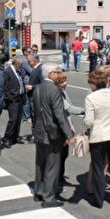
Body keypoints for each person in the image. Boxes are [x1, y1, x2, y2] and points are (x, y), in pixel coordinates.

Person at [32, 63, 75, 208]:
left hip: (39, 130)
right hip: (52, 133)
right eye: (57, 71)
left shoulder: (37, 87)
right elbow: (59, 115)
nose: (59, 73)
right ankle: (49, 197)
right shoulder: (54, 89)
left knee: (40, 164)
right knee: (52, 166)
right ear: (51, 74)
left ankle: (39, 191)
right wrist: (69, 135)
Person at [83, 66, 110, 208]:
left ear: (94, 84)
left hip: (99, 136)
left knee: (98, 169)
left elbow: (88, 121)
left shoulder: (91, 97)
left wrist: (83, 130)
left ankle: (98, 200)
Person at [55, 72, 84, 189]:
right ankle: (57, 179)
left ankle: (60, 177)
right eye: (62, 82)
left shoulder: (63, 92)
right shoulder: (57, 94)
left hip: (66, 126)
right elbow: (69, 108)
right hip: (61, 129)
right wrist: (85, 110)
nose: (65, 84)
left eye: (65, 81)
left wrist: (71, 124)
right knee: (60, 155)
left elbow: (67, 112)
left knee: (64, 155)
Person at [2, 56, 26, 148]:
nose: (22, 66)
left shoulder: (18, 71)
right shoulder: (8, 72)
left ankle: (15, 136)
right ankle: (7, 138)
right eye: (21, 65)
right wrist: (9, 97)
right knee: (13, 119)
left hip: (20, 97)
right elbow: (5, 86)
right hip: (13, 99)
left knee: (18, 119)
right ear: (16, 64)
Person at [19, 47, 34, 123]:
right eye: (29, 51)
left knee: (28, 99)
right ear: (25, 52)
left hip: (28, 80)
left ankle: (26, 115)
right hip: (26, 81)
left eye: (32, 51)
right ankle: (26, 116)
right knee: (27, 100)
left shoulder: (26, 60)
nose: (31, 52)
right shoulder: (25, 61)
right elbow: (31, 71)